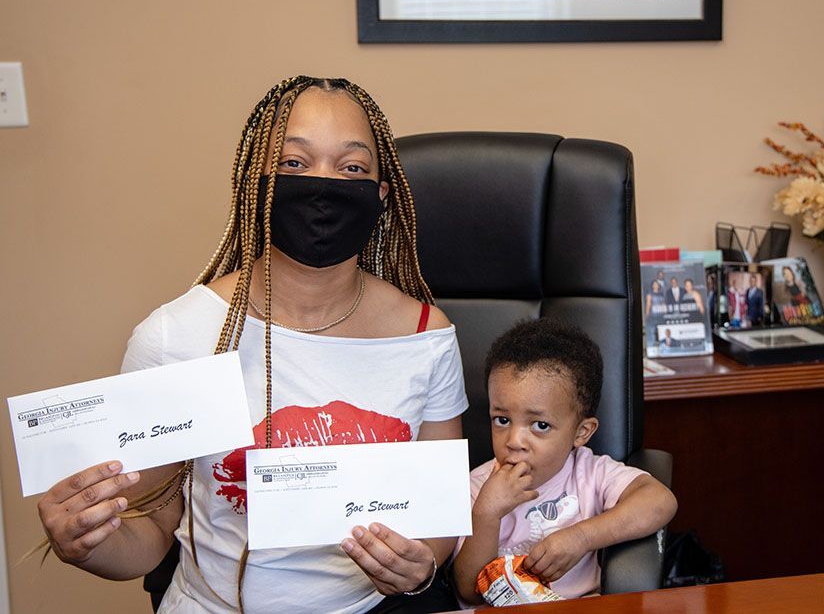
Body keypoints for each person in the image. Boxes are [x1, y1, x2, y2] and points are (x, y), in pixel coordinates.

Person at [36, 77, 468, 613]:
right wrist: (87, 541)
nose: (324, 185)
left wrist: (420, 562)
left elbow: (438, 518)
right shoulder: (178, 336)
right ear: (254, 183)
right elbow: (147, 532)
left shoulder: (425, 336)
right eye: (293, 163)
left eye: (352, 168)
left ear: (381, 196)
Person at [452, 318, 677, 603]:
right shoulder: (476, 487)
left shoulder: (590, 473)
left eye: (540, 426)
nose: (514, 440)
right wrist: (486, 515)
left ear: (581, 433)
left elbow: (660, 501)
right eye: (502, 420)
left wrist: (581, 537)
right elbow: (467, 592)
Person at [644, 279, 667, 353]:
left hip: (661, 315)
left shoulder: (661, 294)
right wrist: (647, 315)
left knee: (661, 330)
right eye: (654, 284)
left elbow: (664, 304)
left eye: (657, 284)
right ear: (652, 286)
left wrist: (665, 313)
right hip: (652, 315)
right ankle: (653, 348)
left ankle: (662, 347)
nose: (655, 285)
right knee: (652, 331)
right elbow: (648, 305)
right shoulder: (649, 294)